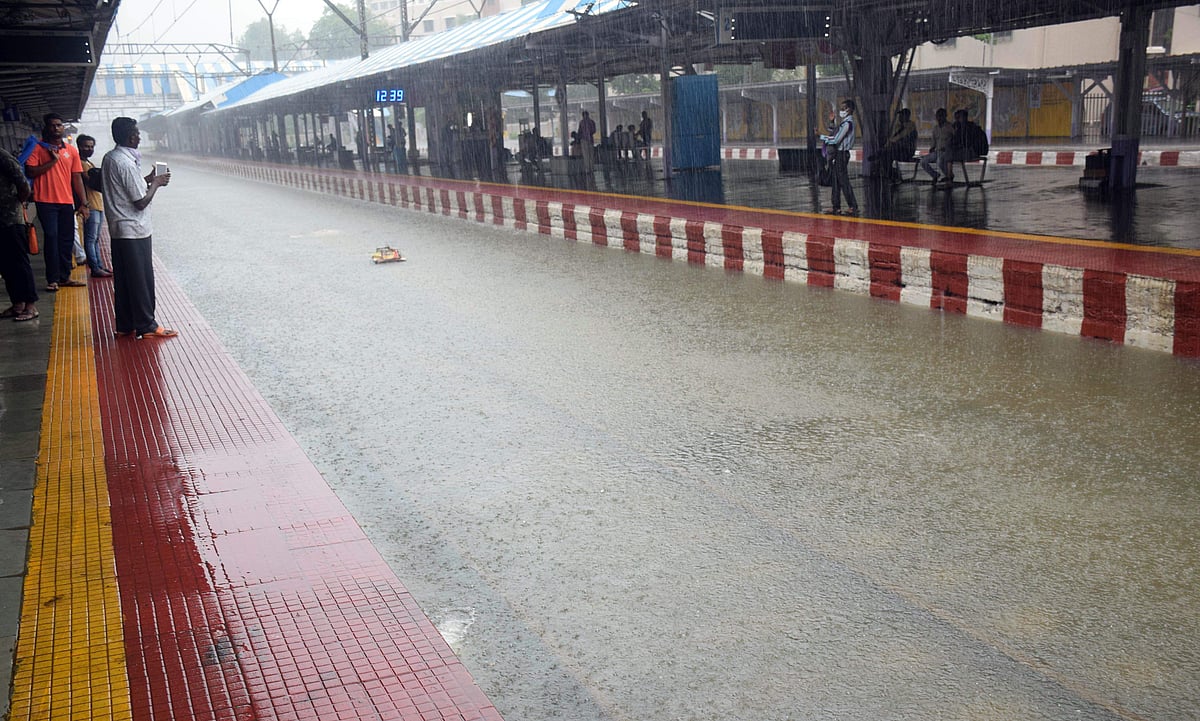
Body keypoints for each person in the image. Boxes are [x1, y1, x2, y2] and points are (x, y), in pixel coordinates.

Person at [101, 117, 176, 339]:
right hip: (133, 229)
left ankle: (125, 323)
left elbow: (129, 187)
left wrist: (148, 178)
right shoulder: (124, 162)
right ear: (130, 136)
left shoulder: (111, 158)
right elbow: (140, 201)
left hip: (119, 229)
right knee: (141, 279)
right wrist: (157, 183)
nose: (139, 136)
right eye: (136, 133)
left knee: (124, 279)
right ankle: (147, 325)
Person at [24, 112, 89, 292]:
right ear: (47, 128)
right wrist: (52, 161)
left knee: (66, 240)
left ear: (63, 127)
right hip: (45, 202)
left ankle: (65, 276)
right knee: (52, 238)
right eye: (53, 125)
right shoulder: (37, 149)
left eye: (59, 125)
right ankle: (52, 279)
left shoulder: (71, 151)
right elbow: (31, 172)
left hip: (66, 202)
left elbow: (76, 178)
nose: (56, 128)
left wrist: (84, 203)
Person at [0, 147, 38, 322]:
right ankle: (17, 304)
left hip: (11, 219)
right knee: (6, 265)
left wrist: (17, 204)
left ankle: (31, 305)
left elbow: (24, 185)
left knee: (19, 263)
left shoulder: (3, 156)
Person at [76, 134, 111, 277]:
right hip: (90, 205)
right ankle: (95, 268)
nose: (89, 149)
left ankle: (99, 265)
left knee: (95, 238)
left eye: (91, 146)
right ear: (79, 146)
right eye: (86, 146)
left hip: (98, 204)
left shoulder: (87, 162)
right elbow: (91, 182)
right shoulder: (80, 163)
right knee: (91, 238)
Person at [819, 98, 859, 216]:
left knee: (843, 181)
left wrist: (820, 136)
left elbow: (836, 139)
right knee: (836, 180)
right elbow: (834, 132)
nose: (841, 110)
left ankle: (853, 206)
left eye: (843, 108)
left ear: (849, 109)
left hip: (842, 154)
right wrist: (832, 122)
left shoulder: (848, 124)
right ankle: (836, 206)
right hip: (839, 154)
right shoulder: (844, 123)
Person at [875, 108, 918, 181]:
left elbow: (899, 137)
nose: (899, 117)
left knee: (888, 155)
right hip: (898, 149)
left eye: (902, 115)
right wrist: (886, 146)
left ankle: (894, 174)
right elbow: (892, 137)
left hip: (907, 150)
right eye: (900, 115)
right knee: (885, 157)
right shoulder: (898, 125)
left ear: (907, 116)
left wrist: (889, 144)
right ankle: (892, 173)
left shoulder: (910, 126)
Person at [920, 108, 955, 185]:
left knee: (940, 161)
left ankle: (949, 175)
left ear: (945, 116)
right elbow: (933, 140)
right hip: (937, 151)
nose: (939, 118)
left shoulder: (950, 127)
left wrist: (949, 147)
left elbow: (955, 139)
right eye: (938, 116)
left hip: (946, 151)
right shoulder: (935, 128)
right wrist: (932, 148)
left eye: (941, 116)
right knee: (923, 161)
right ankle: (934, 175)